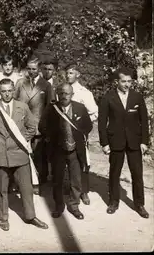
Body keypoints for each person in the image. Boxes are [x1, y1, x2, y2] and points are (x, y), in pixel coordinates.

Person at [0, 79, 48, 232]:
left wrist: (22, 140)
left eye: (9, 90)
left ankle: (30, 216)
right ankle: (3, 218)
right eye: (3, 91)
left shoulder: (23, 107)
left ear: (13, 91)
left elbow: (32, 127)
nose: (7, 94)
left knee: (26, 188)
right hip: (1, 155)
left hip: (20, 153)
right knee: (2, 189)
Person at [98, 67, 150, 219]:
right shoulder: (108, 97)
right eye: (124, 81)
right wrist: (105, 143)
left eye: (129, 81)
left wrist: (144, 141)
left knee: (137, 173)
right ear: (117, 82)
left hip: (134, 141)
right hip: (115, 141)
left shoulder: (137, 97)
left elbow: (144, 121)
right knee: (114, 173)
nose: (127, 84)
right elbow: (102, 122)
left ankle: (139, 204)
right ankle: (113, 202)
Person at [39, 83, 93, 220]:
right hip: (58, 150)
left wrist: (79, 136)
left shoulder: (80, 108)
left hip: (75, 150)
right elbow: (42, 126)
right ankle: (59, 206)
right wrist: (52, 137)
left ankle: (74, 206)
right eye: (61, 93)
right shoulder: (52, 109)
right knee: (57, 180)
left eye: (67, 93)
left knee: (76, 179)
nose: (64, 96)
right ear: (58, 94)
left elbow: (88, 126)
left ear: (72, 95)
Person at [14, 57, 54, 191]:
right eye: (29, 69)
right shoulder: (20, 83)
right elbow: (13, 102)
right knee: (22, 153)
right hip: (22, 124)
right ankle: (21, 182)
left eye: (34, 69)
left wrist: (46, 127)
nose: (31, 72)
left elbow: (50, 107)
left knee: (38, 154)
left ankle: (38, 181)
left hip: (38, 126)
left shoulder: (46, 85)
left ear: (39, 69)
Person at [64, 63, 98, 205]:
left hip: (79, 134)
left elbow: (95, 113)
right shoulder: (61, 90)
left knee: (83, 161)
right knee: (67, 162)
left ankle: (83, 191)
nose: (68, 75)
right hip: (64, 133)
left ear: (78, 74)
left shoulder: (85, 93)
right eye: (67, 73)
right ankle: (71, 188)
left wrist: (81, 124)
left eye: (71, 73)